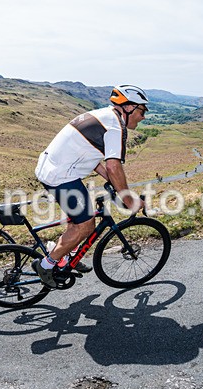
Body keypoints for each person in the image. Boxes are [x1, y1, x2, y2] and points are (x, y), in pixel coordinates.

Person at [32, 84, 148, 287]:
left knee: (80, 218)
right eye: (142, 110)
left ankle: (66, 256)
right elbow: (113, 166)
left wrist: (112, 181)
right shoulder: (114, 127)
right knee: (86, 225)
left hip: (54, 169)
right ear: (128, 107)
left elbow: (91, 156)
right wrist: (129, 200)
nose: (143, 116)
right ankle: (47, 264)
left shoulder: (104, 115)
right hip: (61, 176)